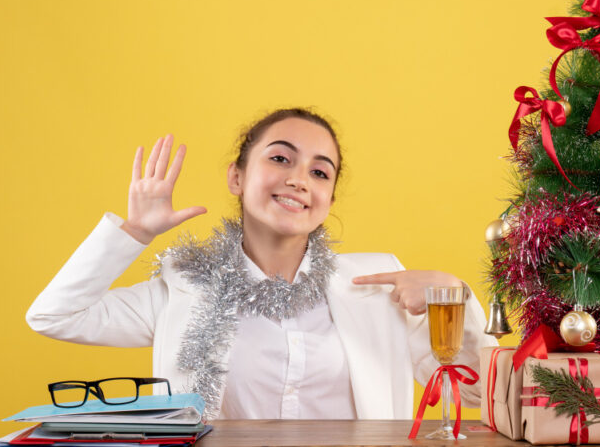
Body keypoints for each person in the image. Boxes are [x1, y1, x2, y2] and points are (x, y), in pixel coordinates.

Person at [27, 108, 496, 420]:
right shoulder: (183, 288)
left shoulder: (378, 286)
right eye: (279, 158)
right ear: (237, 176)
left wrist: (453, 294)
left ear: (329, 198)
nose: (297, 180)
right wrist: (135, 233)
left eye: (319, 171)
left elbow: (479, 394)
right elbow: (55, 315)